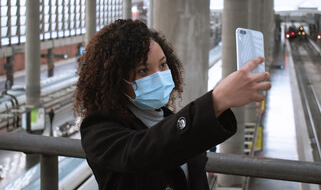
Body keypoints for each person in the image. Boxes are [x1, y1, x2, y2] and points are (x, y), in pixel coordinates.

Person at [73, 19, 271, 190]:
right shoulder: (98, 131)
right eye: (143, 70)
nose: (158, 76)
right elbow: (146, 151)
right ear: (116, 81)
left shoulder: (168, 119)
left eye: (162, 64)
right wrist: (217, 100)